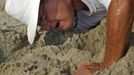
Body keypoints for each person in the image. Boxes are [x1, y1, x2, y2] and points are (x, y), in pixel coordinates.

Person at [5, 0, 134, 75]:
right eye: (40, 24)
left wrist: (107, 64)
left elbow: (123, 3)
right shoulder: (75, 21)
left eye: (42, 16)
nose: (46, 25)